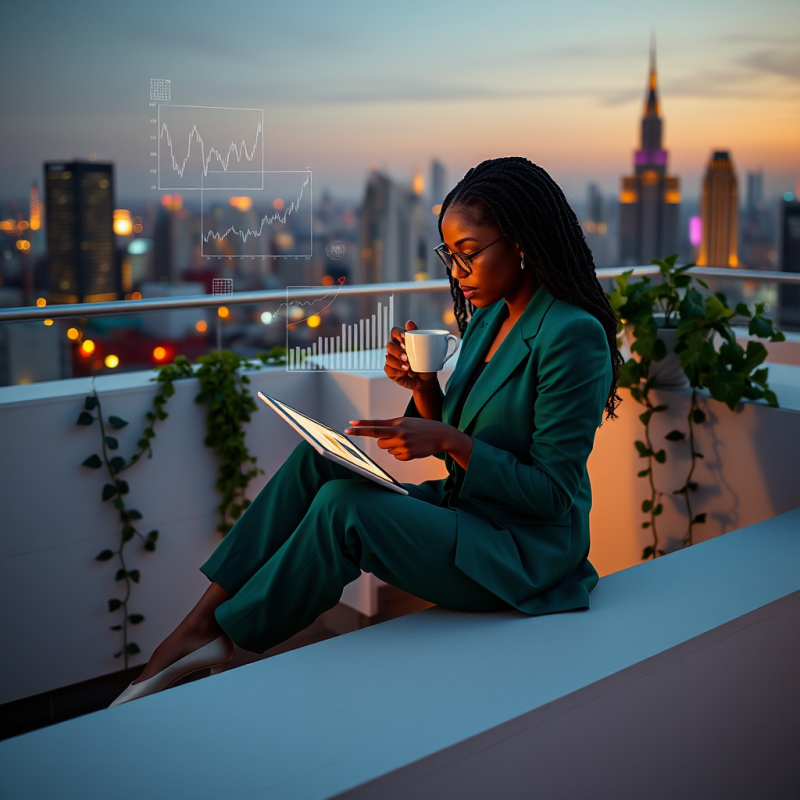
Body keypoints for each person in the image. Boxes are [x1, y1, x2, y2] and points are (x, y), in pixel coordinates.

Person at [110, 156, 622, 707]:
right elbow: (464, 446)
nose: (457, 272)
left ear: (520, 240)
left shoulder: (572, 334)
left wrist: (451, 442)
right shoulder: (490, 318)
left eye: (469, 254)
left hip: (525, 555)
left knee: (344, 508)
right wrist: (424, 387)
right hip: (471, 513)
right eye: (450, 255)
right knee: (321, 461)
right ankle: (200, 623)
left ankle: (225, 637)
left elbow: (551, 495)